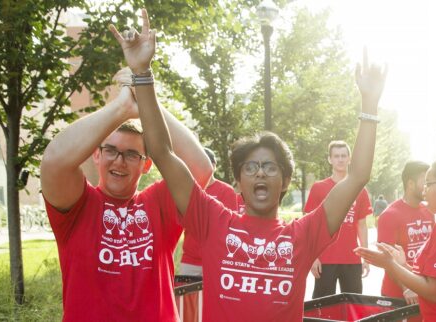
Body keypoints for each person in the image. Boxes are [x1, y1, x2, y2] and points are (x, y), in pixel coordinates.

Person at [120, 7, 389, 319]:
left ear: (285, 181)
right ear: (237, 182)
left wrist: (369, 104)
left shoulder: (303, 235)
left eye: (270, 167)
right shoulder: (211, 221)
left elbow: (356, 177)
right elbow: (163, 152)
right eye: (250, 167)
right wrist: (142, 75)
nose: (260, 172)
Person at [42, 12, 215, 320]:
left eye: (131, 154)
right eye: (110, 150)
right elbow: (54, 162)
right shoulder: (78, 205)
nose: (119, 161)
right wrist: (121, 106)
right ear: (95, 156)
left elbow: (200, 169)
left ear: (146, 164)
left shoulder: (158, 204)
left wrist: (147, 94)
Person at [356, 157, 436, 321]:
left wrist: (390, 264)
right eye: (424, 183)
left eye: (429, 183)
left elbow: (434, 292)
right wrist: (403, 265)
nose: (425, 190)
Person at [306, 140, 373, 297]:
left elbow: (361, 225)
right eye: (336, 156)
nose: (340, 159)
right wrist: (312, 257)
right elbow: (310, 225)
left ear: (350, 159)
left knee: (353, 307)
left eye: (344, 156)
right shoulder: (318, 188)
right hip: (325, 259)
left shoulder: (359, 189)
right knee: (322, 309)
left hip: (352, 258)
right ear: (330, 159)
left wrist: (366, 257)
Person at [375, 161, 433, 302]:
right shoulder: (390, 215)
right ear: (410, 184)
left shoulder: (429, 212)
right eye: (425, 182)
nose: (428, 187)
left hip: (423, 291)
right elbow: (387, 260)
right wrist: (407, 288)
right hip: (399, 295)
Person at [178, 147, 240, 276]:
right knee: (188, 296)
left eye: (204, 163)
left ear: (213, 166)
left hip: (216, 259)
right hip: (190, 260)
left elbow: (229, 225)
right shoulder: (189, 190)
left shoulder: (226, 190)